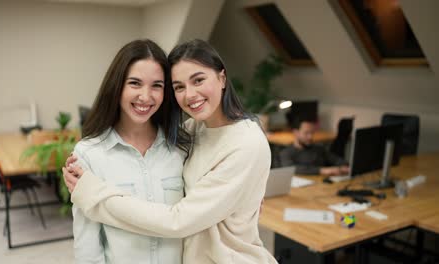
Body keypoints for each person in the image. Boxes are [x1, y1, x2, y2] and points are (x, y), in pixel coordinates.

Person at [64, 39, 277, 264]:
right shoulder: (190, 133)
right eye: (179, 86)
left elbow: (179, 220)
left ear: (222, 78)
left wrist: (94, 195)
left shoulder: (243, 143)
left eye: (199, 80)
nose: (190, 94)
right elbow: (87, 248)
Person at [67, 39, 191, 264]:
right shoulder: (89, 153)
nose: (146, 96)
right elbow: (88, 247)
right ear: (118, 85)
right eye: (135, 83)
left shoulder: (181, 148)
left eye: (157, 85)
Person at [279, 115, 349, 176]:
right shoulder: (286, 153)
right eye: (306, 133)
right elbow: (291, 169)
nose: (310, 137)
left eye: (312, 133)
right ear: (296, 133)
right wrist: (322, 170)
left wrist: (343, 167)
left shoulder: (318, 148)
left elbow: (336, 160)